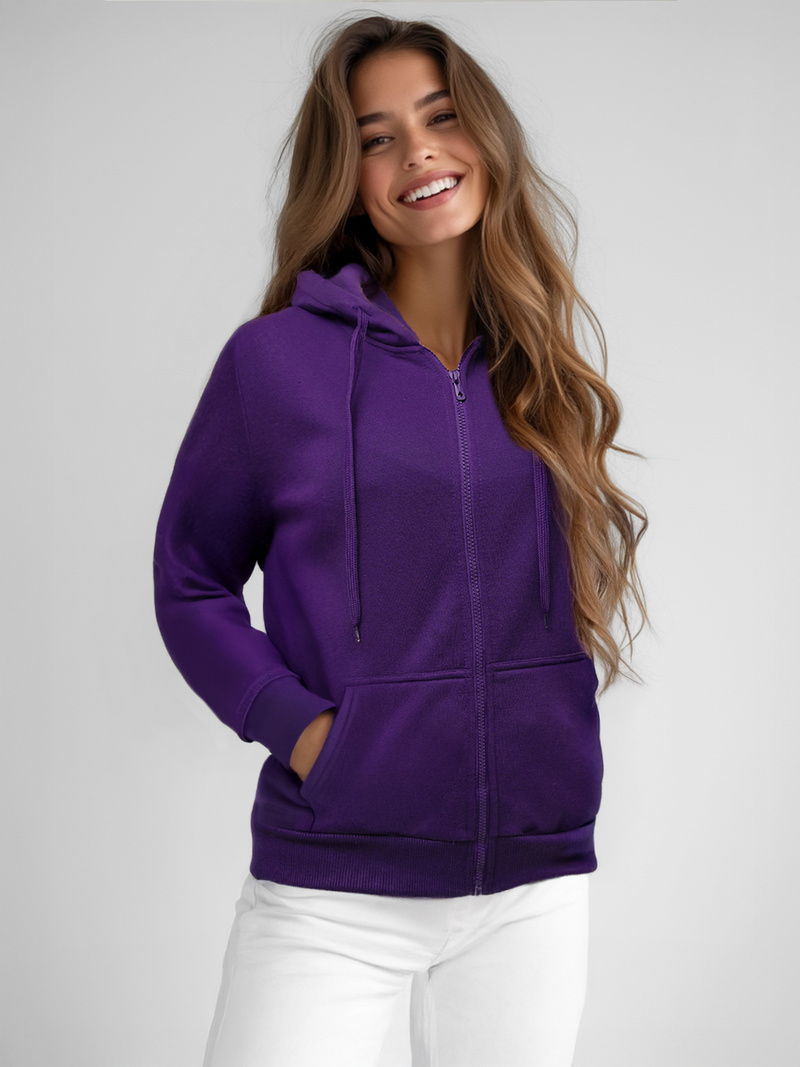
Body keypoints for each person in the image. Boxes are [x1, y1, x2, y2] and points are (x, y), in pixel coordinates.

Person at [152, 13, 648, 1067]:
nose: (418, 152)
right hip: (332, 886)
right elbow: (189, 579)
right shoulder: (274, 364)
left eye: (440, 116)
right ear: (349, 177)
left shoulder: (539, 365)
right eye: (378, 137)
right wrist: (307, 733)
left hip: (529, 887)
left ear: (486, 138)